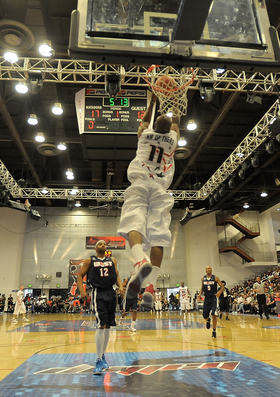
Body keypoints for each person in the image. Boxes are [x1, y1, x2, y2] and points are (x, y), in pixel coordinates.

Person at [117, 98, 180, 310]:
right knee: (158, 234)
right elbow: (177, 123)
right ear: (168, 129)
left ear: (154, 126)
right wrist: (176, 97)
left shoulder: (144, 136)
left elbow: (143, 121)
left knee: (132, 221)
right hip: (161, 189)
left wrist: (153, 101)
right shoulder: (172, 140)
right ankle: (151, 287)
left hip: (141, 183)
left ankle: (138, 261)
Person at [77, 239, 124, 375]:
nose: (104, 245)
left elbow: (117, 275)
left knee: (108, 325)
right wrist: (82, 290)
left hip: (111, 291)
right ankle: (97, 360)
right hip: (98, 292)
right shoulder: (89, 260)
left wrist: (120, 286)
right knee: (101, 325)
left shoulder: (112, 260)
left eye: (105, 243)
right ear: (96, 248)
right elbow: (80, 276)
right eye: (101, 243)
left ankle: (103, 356)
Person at [197, 266, 224, 339]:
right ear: (205, 270)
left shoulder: (215, 277)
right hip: (206, 299)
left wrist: (219, 292)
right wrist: (199, 294)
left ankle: (214, 331)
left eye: (209, 268)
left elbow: (222, 287)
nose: (207, 269)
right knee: (205, 315)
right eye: (206, 268)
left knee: (214, 314)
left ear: (211, 270)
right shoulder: (203, 278)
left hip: (213, 298)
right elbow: (202, 288)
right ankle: (208, 320)